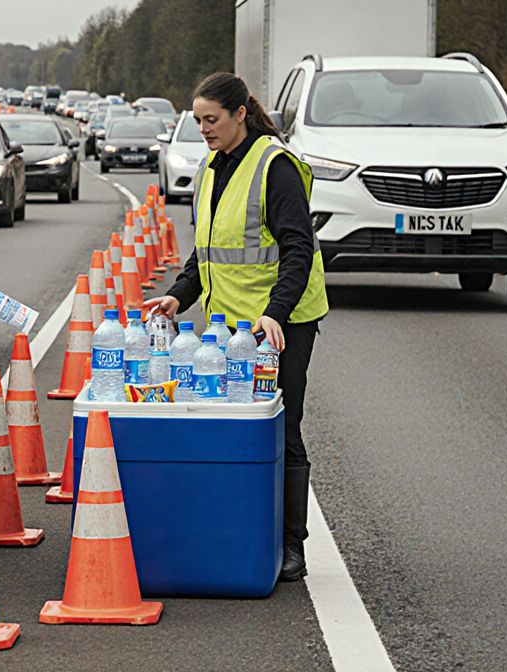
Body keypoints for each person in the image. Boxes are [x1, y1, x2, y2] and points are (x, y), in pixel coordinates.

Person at [143, 73, 329, 581]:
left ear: (240, 114)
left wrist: (276, 312)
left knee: (281, 428)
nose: (203, 129)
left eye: (212, 119)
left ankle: (292, 545)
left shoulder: (275, 167)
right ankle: (240, 531)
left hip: (279, 326)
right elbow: (206, 253)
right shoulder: (211, 167)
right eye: (198, 120)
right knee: (229, 429)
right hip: (226, 328)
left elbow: (298, 248)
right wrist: (178, 297)